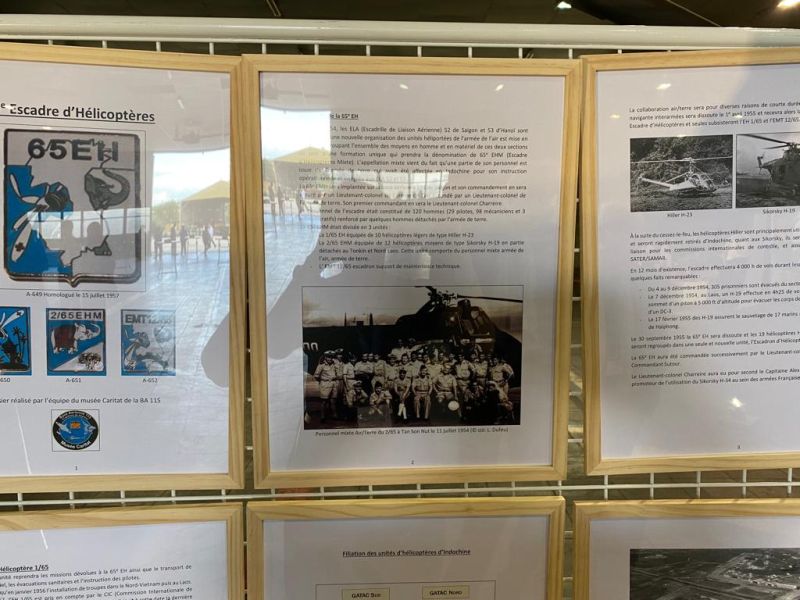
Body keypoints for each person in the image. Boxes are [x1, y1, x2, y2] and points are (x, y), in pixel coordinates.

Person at [313, 352, 338, 422]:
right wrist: (323, 380)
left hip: (333, 384)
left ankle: (334, 415)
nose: (330, 359)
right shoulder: (321, 365)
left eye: (331, 357)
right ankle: (322, 416)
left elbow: (338, 372)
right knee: (324, 401)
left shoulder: (334, 364)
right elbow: (316, 376)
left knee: (333, 401)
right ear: (325, 357)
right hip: (325, 385)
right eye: (328, 357)